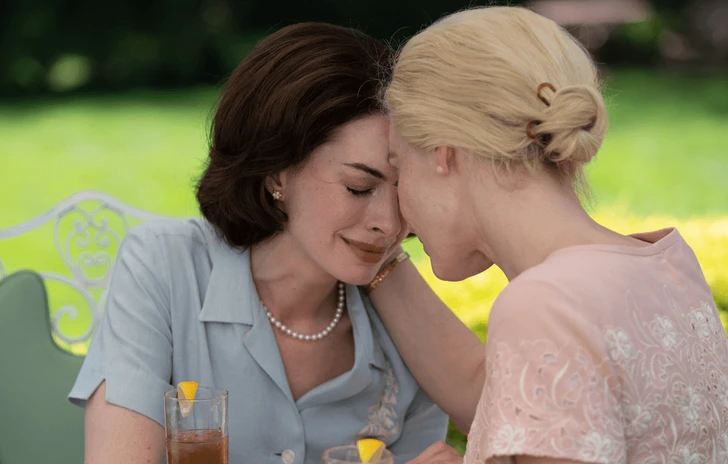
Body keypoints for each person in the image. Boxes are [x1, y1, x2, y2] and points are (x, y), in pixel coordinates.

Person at [68, 22, 449, 464]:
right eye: (358, 187)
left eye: (403, 190)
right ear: (276, 172)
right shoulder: (164, 267)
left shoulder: (409, 335)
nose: (389, 223)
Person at [370, 6, 728, 463]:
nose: (396, 207)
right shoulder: (665, 263)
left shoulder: (542, 305)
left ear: (444, 154)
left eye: (398, 169)